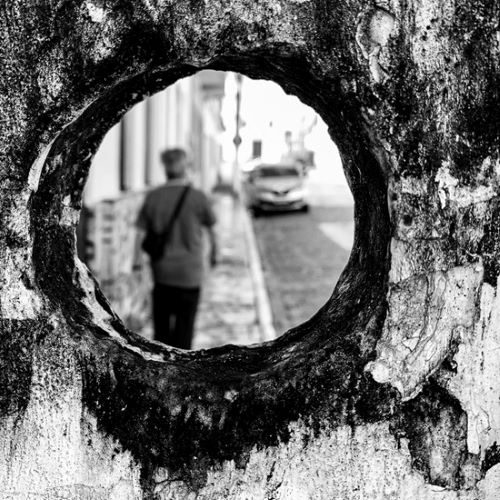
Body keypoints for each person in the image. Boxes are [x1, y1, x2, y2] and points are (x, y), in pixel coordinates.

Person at [135, 148, 217, 349]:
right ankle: (181, 372)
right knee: (185, 329)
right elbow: (213, 230)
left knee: (161, 331)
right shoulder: (198, 197)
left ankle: (160, 371)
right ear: (185, 167)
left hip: (162, 273)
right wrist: (215, 253)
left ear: (165, 168)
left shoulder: (153, 197)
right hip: (190, 274)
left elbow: (139, 235)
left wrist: (136, 263)